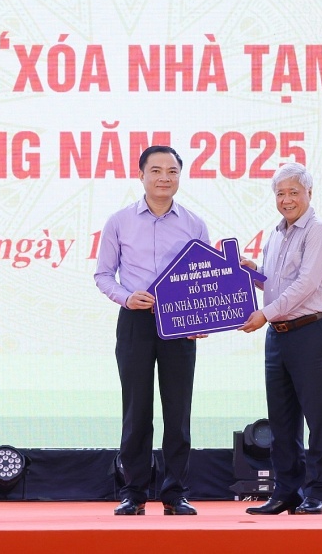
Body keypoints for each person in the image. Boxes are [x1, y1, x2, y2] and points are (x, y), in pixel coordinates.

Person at [94, 145, 209, 516]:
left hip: (180, 323)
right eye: (156, 170)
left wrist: (202, 318)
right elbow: (103, 274)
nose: (164, 178)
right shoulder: (119, 221)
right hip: (136, 321)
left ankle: (175, 493)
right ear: (141, 175)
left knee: (178, 411)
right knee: (136, 410)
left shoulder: (194, 224)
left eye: (172, 171)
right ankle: (134, 492)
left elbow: (204, 279)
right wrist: (127, 298)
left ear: (180, 176)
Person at [239, 162, 322, 515]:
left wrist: (265, 313)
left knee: (319, 417)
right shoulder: (276, 234)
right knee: (282, 421)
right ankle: (287, 491)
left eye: (293, 192)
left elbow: (305, 285)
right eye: (280, 193)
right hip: (278, 335)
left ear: (309, 193)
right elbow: (275, 285)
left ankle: (319, 492)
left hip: (311, 331)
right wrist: (251, 273)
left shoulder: (318, 231)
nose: (286, 199)